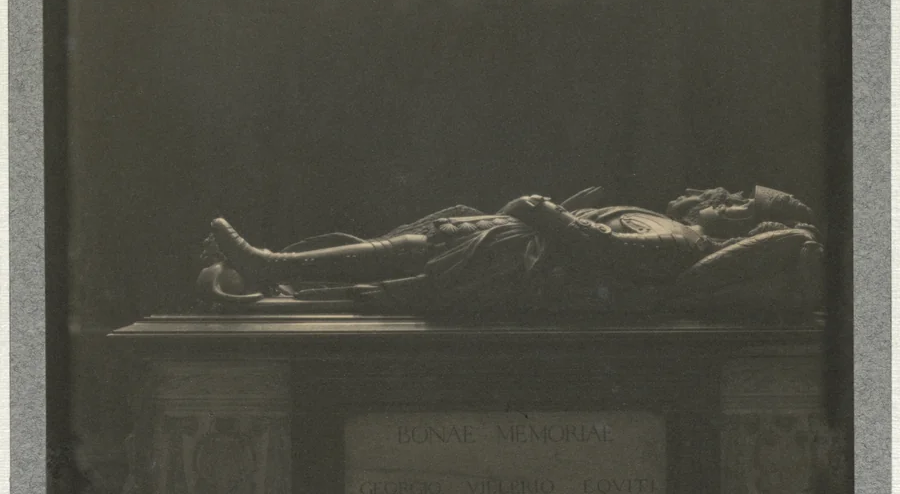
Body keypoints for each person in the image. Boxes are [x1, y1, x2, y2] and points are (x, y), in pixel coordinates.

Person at [197, 184, 822, 316]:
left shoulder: (682, 236)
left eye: (734, 199)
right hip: (527, 259)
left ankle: (273, 268)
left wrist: (540, 209)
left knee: (415, 249)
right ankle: (280, 278)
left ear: (744, 228)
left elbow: (610, 250)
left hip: (528, 263)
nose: (711, 194)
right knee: (403, 255)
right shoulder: (675, 226)